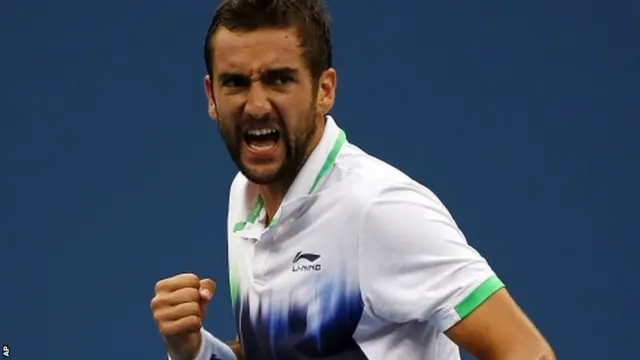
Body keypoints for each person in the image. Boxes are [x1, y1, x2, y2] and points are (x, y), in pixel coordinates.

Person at [150, 0, 556, 359]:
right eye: (235, 83)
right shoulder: (244, 196)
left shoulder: (377, 207)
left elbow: (527, 351)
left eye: (279, 79)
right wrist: (193, 350)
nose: (257, 105)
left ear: (324, 90)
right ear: (211, 97)